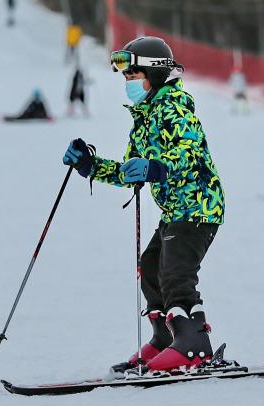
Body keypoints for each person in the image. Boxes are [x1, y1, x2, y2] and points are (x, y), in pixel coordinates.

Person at [62, 36, 225, 373]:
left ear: (155, 75)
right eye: (126, 78)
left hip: (199, 208)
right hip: (175, 211)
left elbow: (188, 153)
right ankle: (167, 338)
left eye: (133, 77)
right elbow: (129, 172)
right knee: (151, 267)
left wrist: (157, 168)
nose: (128, 85)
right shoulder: (144, 117)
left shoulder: (175, 106)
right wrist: (90, 166)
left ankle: (194, 346)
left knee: (176, 273)